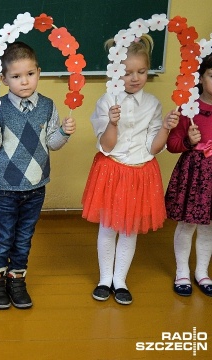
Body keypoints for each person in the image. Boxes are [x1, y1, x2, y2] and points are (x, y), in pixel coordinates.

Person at [83, 34, 179, 305]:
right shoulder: (107, 101)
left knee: (129, 230)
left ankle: (120, 280)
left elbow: (152, 148)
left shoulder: (152, 104)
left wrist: (166, 127)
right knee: (109, 227)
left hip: (141, 172)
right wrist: (113, 123)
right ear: (115, 72)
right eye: (127, 73)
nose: (135, 78)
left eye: (141, 71)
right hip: (113, 170)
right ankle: (104, 279)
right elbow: (106, 146)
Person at [0, 41, 76, 310]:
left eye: (30, 74)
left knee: (24, 236)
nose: (24, 82)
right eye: (16, 76)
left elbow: (52, 144)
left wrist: (64, 132)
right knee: (4, 236)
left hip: (36, 186)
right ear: (4, 79)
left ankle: (17, 278)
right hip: (6, 187)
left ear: (39, 72)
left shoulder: (47, 106)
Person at [165, 53, 212, 297]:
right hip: (195, 174)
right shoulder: (188, 108)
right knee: (188, 224)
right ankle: (182, 271)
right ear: (201, 78)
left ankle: (202, 272)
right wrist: (187, 141)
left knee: (209, 228)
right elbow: (172, 144)